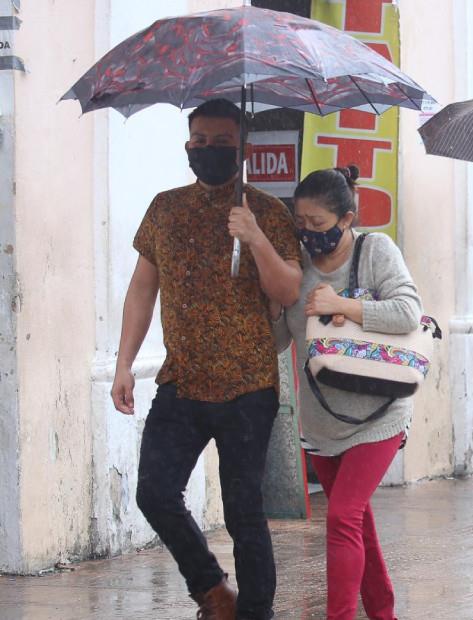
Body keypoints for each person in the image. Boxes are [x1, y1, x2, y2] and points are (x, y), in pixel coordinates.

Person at [111, 99, 302, 620]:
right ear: (188, 146)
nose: (210, 152)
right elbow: (141, 290)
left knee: (244, 513)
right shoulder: (164, 209)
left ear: (241, 148)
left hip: (247, 386)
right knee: (154, 490)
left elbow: (288, 291)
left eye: (222, 143)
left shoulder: (267, 211)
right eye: (202, 142)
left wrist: (255, 237)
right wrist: (124, 363)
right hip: (182, 381)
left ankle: (255, 612)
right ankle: (214, 594)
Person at [273, 166, 420, 620]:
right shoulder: (295, 267)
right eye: (302, 223)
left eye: (319, 224)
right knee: (356, 522)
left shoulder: (375, 251)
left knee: (341, 518)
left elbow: (408, 312)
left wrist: (344, 305)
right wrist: (272, 294)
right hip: (320, 420)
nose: (310, 233)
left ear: (348, 218)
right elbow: (280, 340)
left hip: (380, 414)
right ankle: (384, 613)